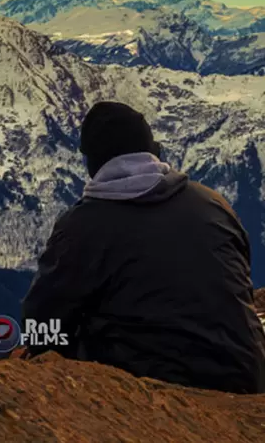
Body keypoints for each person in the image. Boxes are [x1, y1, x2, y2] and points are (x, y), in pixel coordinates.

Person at [21, 101, 265, 394]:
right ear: (153, 150)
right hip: (247, 375)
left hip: (160, 388)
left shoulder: (81, 227)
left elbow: (40, 322)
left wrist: (34, 359)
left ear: (92, 164)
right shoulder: (213, 204)